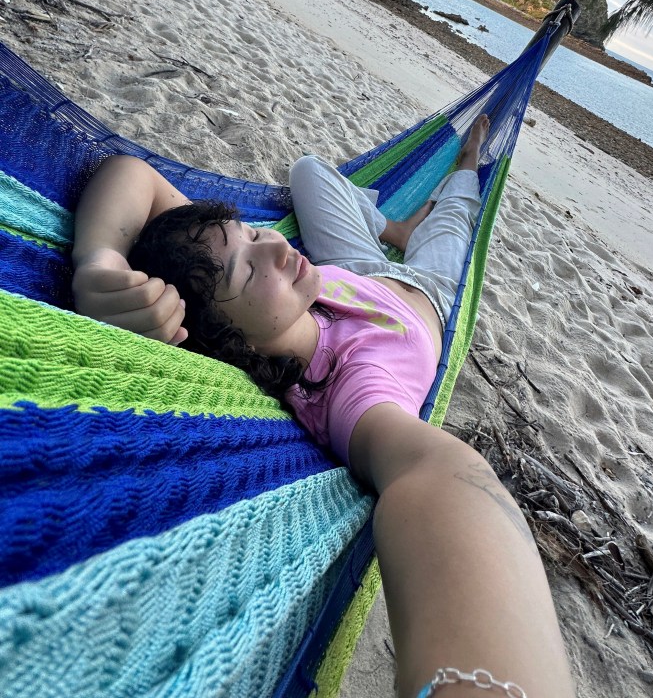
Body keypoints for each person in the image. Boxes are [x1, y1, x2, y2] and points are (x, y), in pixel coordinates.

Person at [72, 116, 575, 698]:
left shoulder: (268, 293)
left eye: (255, 233)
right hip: (428, 293)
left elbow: (133, 174)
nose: (278, 245)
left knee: (310, 171)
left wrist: (100, 261)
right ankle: (464, 169)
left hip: (351, 273)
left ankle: (395, 225)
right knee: (456, 225)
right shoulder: (354, 389)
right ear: (231, 342)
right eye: (249, 264)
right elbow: (439, 477)